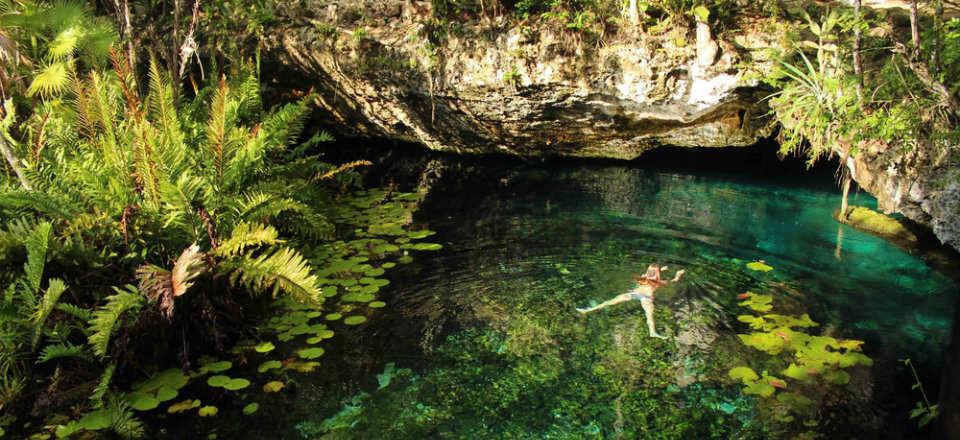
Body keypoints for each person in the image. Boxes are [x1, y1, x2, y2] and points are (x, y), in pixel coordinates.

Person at [577, 264, 685, 339]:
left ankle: (589, 310)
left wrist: (664, 270)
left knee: (610, 302)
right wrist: (677, 274)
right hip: (643, 297)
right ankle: (652, 332)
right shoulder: (658, 282)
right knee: (648, 315)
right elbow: (673, 281)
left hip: (638, 295)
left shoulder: (644, 277)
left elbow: (649, 276)